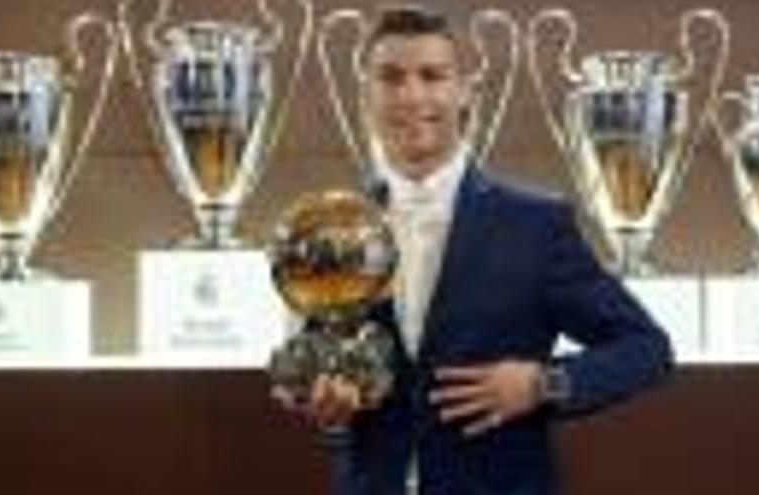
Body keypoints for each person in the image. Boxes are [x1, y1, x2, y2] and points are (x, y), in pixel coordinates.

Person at [275, 5, 673, 495]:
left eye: (432, 75)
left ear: (465, 89)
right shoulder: (334, 227)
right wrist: (320, 397)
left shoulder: (535, 224)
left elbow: (647, 349)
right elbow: (316, 364)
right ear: (367, 95)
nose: (412, 94)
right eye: (391, 77)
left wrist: (540, 384)